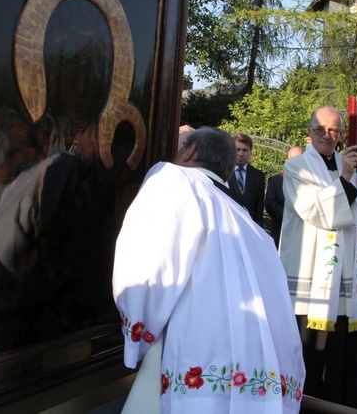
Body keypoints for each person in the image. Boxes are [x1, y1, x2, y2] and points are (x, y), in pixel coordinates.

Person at [113, 127, 305, 413]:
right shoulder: (248, 222)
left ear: (189, 152)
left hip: (195, 352)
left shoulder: (172, 179)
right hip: (259, 368)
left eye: (177, 145)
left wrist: (137, 339)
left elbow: (150, 267)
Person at [278, 107, 357, 410]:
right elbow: (317, 214)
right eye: (320, 129)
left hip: (346, 285)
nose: (326, 136)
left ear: (342, 134)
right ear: (309, 131)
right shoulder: (298, 168)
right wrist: (345, 177)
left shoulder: (352, 169)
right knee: (312, 359)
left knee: (343, 360)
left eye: (334, 130)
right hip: (312, 285)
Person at [265, 146, 303, 246]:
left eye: (299, 159)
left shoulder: (310, 182)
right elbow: (270, 204)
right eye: (292, 159)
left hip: (303, 232)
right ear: (286, 161)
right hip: (280, 230)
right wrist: (289, 216)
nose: (295, 162)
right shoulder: (276, 181)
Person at [226, 133, 266, 225]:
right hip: (229, 224)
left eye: (245, 150)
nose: (241, 154)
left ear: (250, 152)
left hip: (250, 225)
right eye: (237, 150)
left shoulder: (258, 176)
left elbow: (259, 207)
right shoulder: (223, 173)